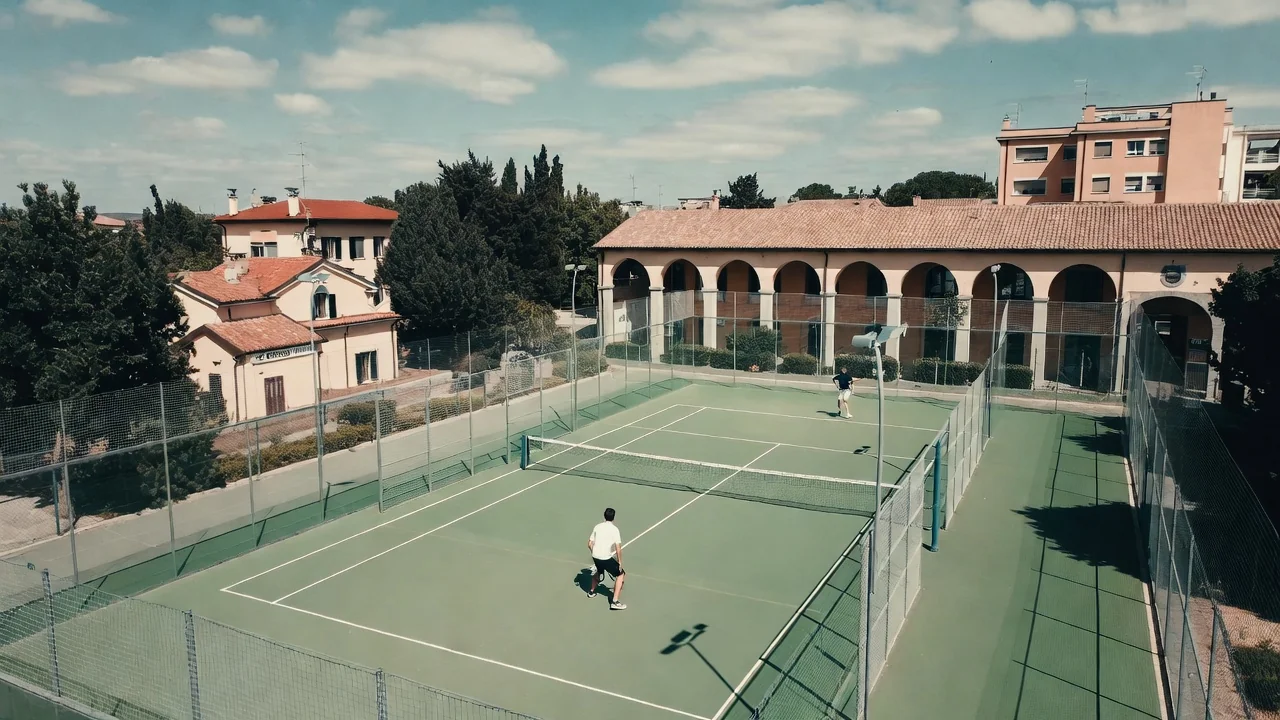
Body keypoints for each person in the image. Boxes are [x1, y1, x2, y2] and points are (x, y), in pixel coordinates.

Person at [587, 507, 627, 610]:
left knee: (599, 573)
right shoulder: (615, 530)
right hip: (606, 558)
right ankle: (615, 601)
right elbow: (618, 548)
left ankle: (591, 591)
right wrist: (620, 562)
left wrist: (595, 553)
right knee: (621, 574)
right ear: (613, 518)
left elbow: (589, 543)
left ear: (604, 516)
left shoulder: (597, 527)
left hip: (595, 556)